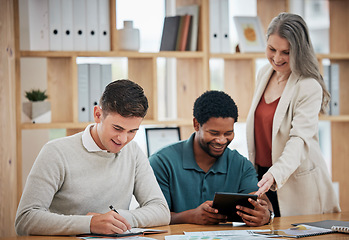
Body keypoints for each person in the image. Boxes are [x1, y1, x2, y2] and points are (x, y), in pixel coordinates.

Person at [15, 79, 170, 236]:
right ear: (98, 114)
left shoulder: (133, 152)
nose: (123, 139)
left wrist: (119, 218)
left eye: (132, 131)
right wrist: (89, 224)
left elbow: (161, 210)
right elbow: (25, 219)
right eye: (117, 128)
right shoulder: (55, 152)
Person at [246, 12, 341, 217]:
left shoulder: (308, 86)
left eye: (286, 52)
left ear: (299, 51)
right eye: (272, 49)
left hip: (295, 182)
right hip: (264, 177)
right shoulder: (264, 73)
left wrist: (274, 174)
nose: (277, 58)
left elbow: (299, 139)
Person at [150, 90, 273, 226]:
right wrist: (190, 216)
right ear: (196, 124)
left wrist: (266, 215)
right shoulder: (162, 162)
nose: (221, 140)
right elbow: (152, 215)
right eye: (214, 133)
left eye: (228, 133)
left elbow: (262, 201)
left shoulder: (241, 164)